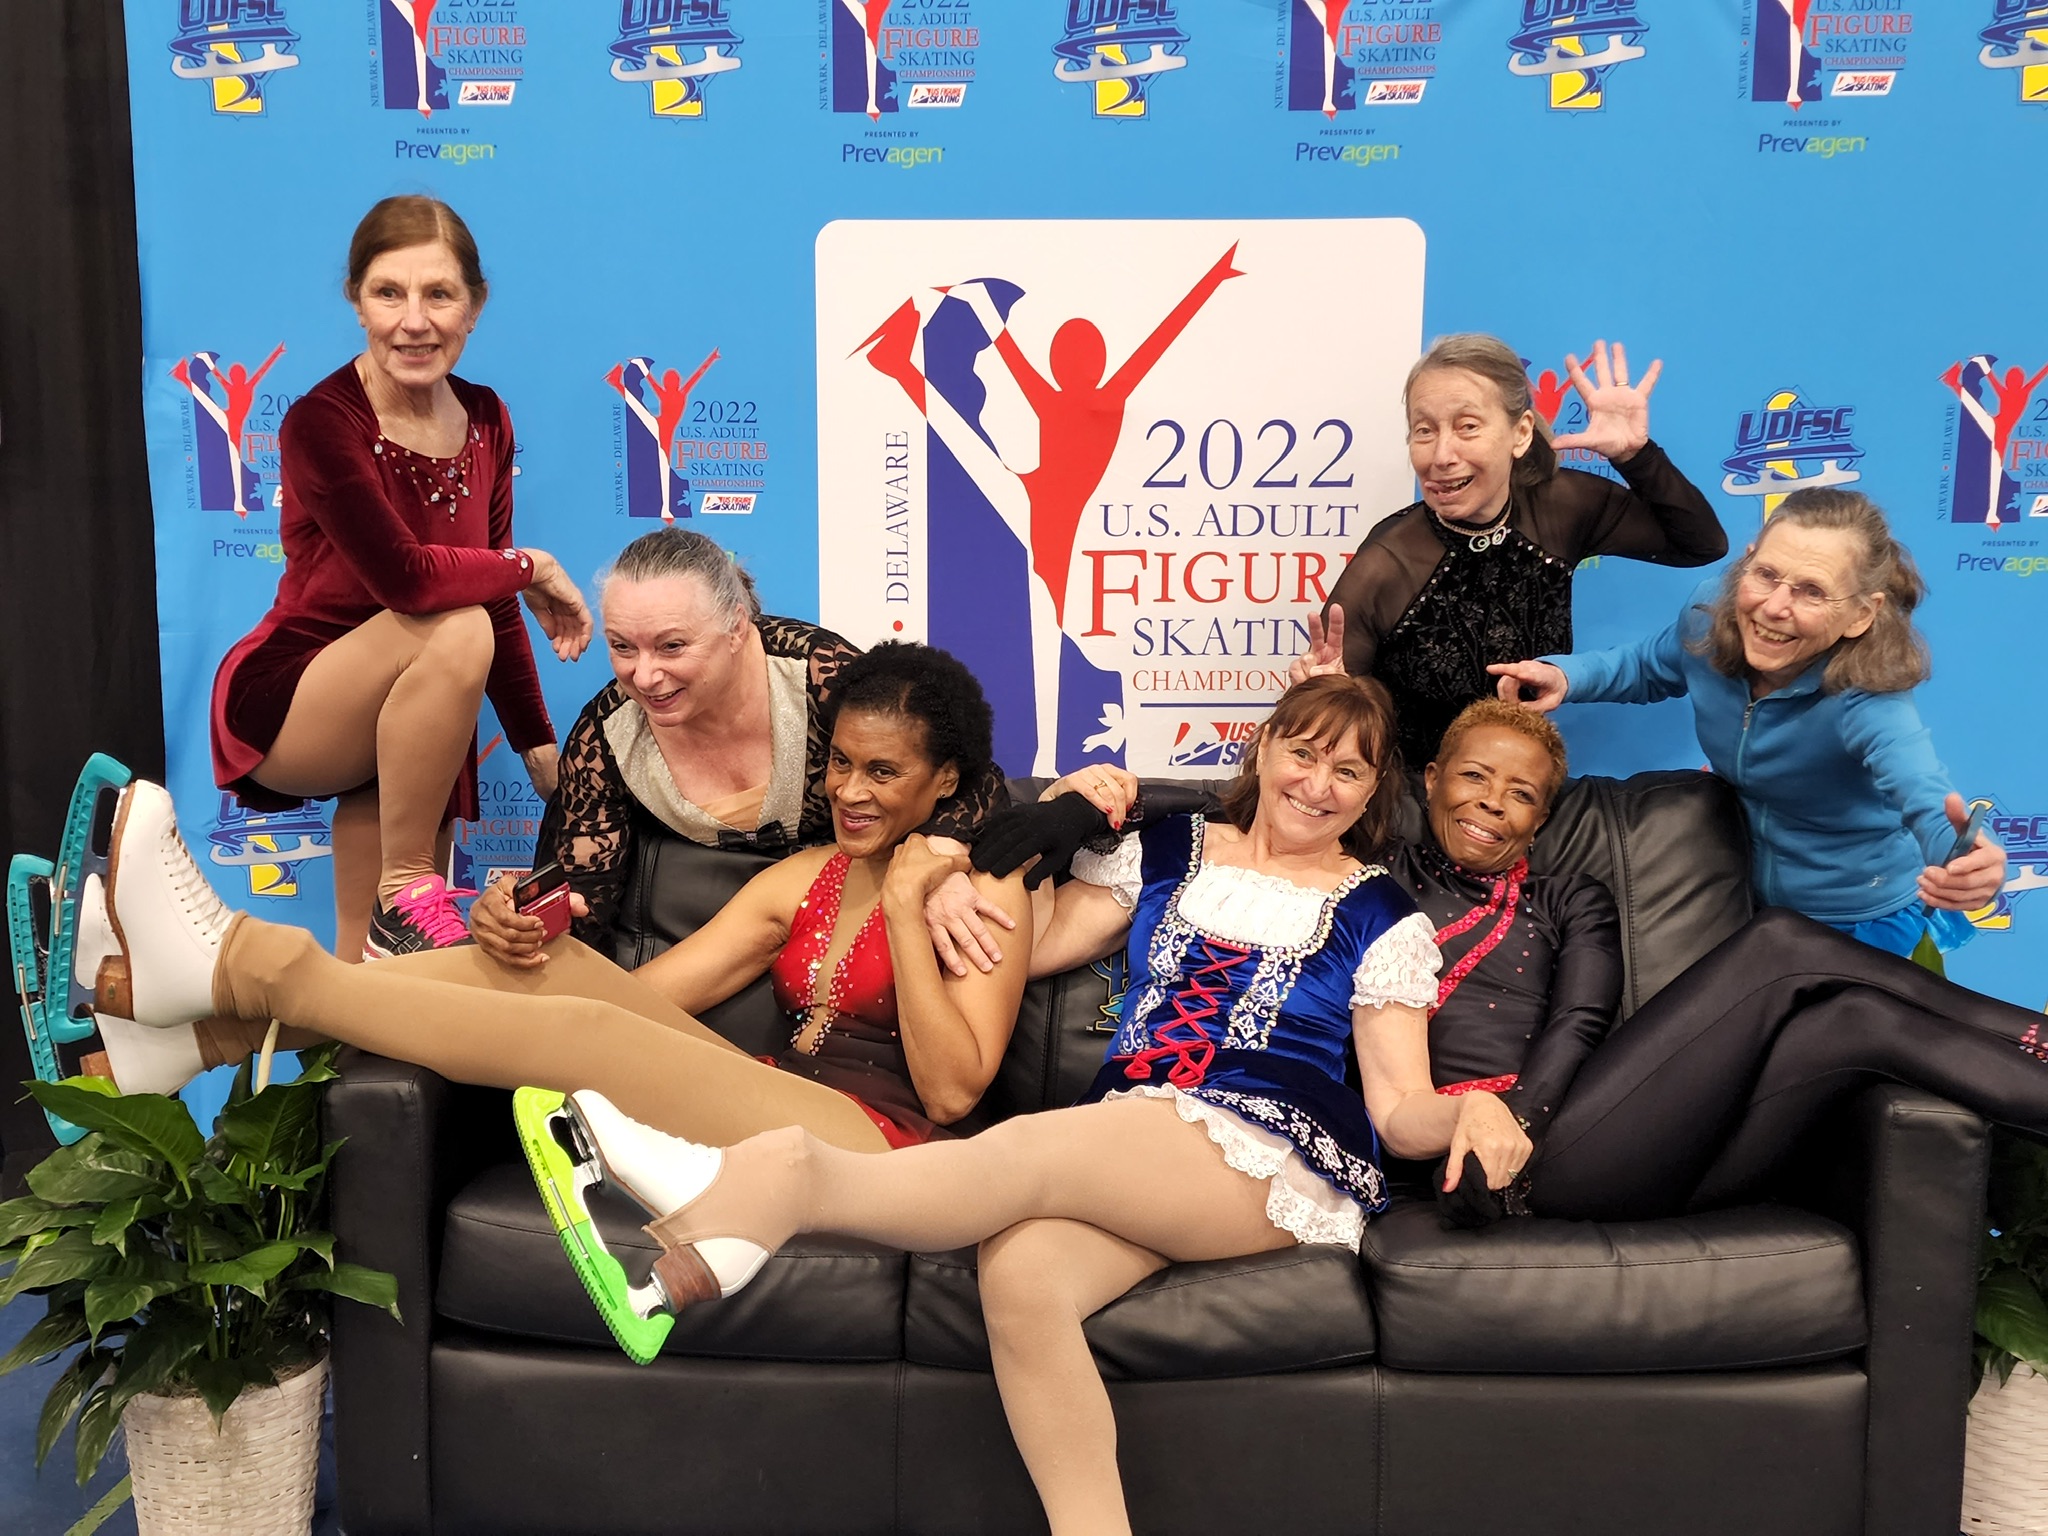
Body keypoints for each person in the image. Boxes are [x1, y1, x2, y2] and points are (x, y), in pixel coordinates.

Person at [1027, 699, 2048, 1228]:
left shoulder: (1573, 897)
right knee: (1780, 949)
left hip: (1568, 1127)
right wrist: (1091, 803)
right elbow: (1259, 814)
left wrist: (1523, 1114)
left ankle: (2032, 1050)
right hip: (1493, 1165)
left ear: (1543, 817)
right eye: (1470, 778)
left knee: (1846, 1025)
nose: (1489, 805)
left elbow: (1578, 1023)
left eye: (1519, 796)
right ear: (1426, 782)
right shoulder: (1370, 873)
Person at [85, 643, 1030, 1158]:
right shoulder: (805, 875)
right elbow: (648, 1003)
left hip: (883, 1154)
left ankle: (241, 964)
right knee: (561, 971)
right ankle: (193, 1038)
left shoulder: (984, 892)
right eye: (838, 764)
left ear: (946, 781)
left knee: (592, 1038)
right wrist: (523, 966)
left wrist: (908, 908)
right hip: (774, 1104)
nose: (851, 791)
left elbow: (954, 1091)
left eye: (884, 772)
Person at [209, 195, 592, 962]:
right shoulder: (323, 422)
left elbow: (486, 599)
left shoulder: (486, 416)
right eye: (389, 293)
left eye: (439, 294)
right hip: (293, 694)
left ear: (474, 308)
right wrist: (532, 567)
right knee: (457, 627)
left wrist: (536, 744)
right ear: (357, 302)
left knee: (370, 969)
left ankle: (362, 1035)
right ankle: (408, 887)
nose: (413, 320)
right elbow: (411, 583)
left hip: (412, 700)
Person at [1488, 486, 2006, 964]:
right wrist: (1565, 675)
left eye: (1811, 591)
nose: (1774, 607)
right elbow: (1652, 665)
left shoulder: (1870, 702)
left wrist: (1965, 863)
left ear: (1861, 616)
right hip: (1735, 893)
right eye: (1766, 574)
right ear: (1748, 560)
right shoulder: (1713, 612)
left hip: (1854, 923)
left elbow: (1925, 797)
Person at [492, 526, 1010, 975]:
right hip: (720, 947)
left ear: (737, 627)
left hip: (846, 930)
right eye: (623, 647)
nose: (644, 676)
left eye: (672, 646)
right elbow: (580, 908)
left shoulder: (819, 677)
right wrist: (515, 926)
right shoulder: (604, 737)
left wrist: (935, 861)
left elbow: (970, 776)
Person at [1296, 334, 1726, 766]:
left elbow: (1700, 544)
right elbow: (1325, 734)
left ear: (1519, 434)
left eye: (1467, 427)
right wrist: (1322, 696)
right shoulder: (1388, 562)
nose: (1441, 455)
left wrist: (1637, 457)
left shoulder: (1562, 507)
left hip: (1523, 791)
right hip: (1412, 804)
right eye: (1424, 431)